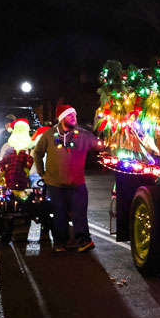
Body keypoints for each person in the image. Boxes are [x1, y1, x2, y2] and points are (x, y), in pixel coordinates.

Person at [33, 105, 102, 252]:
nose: (74, 118)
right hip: (55, 183)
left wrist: (109, 142)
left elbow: (100, 146)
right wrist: (42, 173)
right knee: (60, 214)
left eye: (75, 116)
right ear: (62, 118)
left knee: (80, 213)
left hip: (77, 183)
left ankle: (84, 241)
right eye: (70, 116)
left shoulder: (83, 135)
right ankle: (60, 242)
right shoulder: (49, 135)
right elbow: (37, 153)